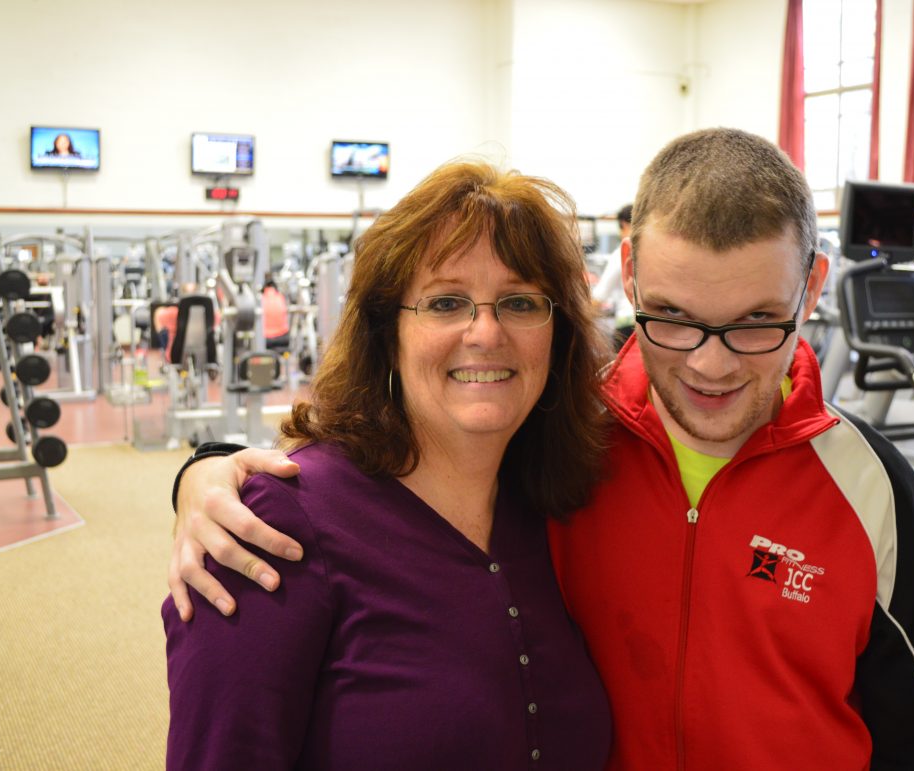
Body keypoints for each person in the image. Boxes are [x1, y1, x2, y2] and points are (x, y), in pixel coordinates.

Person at [168, 129, 914, 770]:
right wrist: (203, 469)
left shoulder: (865, 485)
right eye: (673, 316)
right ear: (627, 275)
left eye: (755, 322)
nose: (710, 362)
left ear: (811, 288)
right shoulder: (568, 445)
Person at [161, 160, 613, 770]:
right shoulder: (270, 528)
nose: (485, 332)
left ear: (556, 333)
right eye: (447, 302)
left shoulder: (552, 510)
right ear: (385, 335)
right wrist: (201, 469)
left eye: (520, 301)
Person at [590, 203, 634, 349]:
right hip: (648, 326)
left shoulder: (622, 253)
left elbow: (600, 296)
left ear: (624, 224)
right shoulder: (651, 251)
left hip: (627, 327)